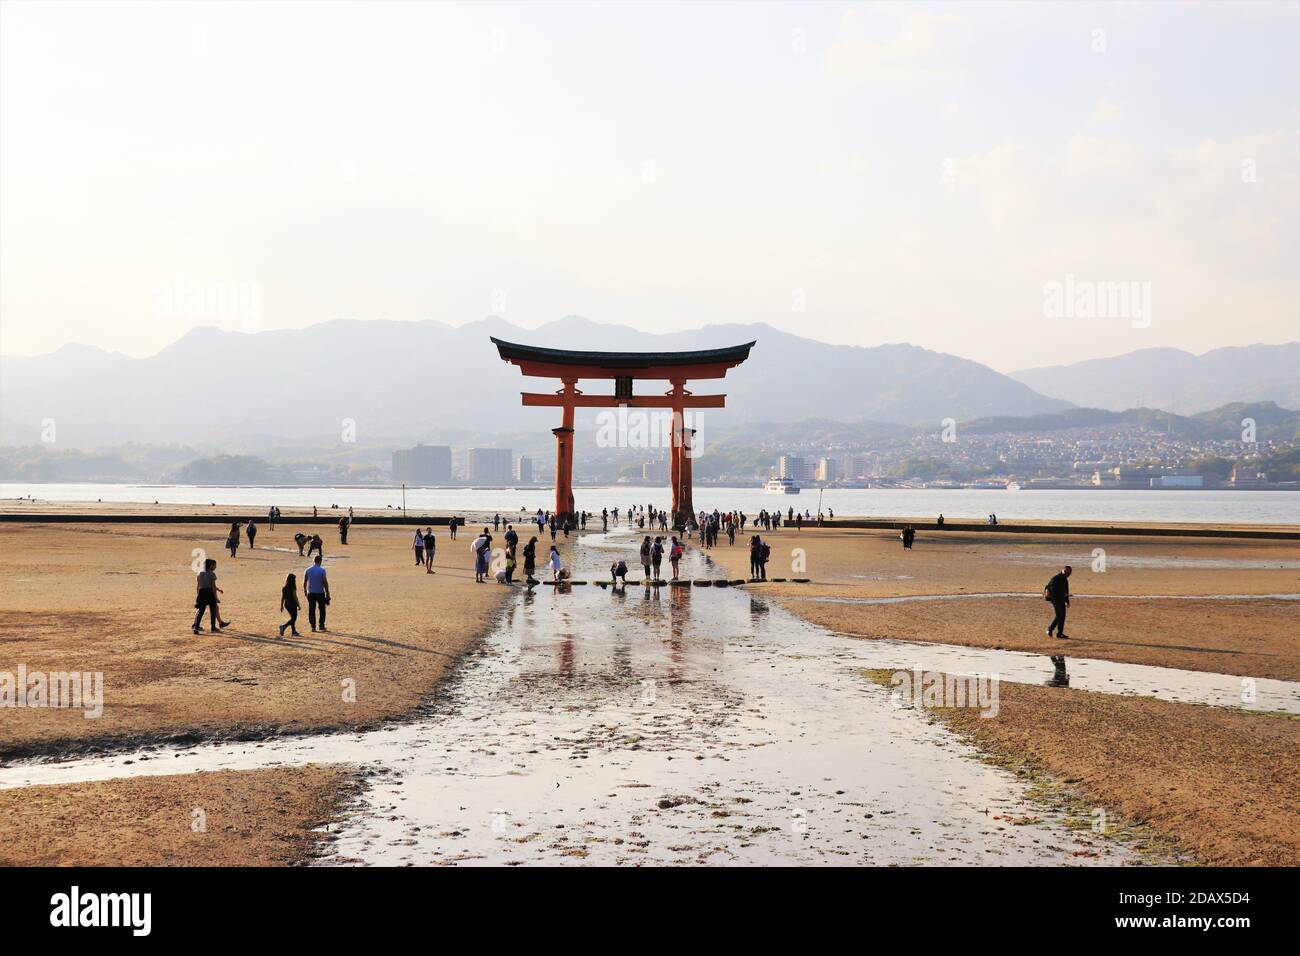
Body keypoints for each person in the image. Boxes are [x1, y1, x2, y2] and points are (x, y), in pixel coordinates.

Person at [192, 558, 229, 634]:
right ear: (211, 565)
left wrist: (198, 595)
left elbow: (198, 586)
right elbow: (213, 587)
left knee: (201, 610)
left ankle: (196, 627)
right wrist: (216, 598)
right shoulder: (212, 574)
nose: (215, 567)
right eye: (215, 565)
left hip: (201, 593)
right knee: (213, 610)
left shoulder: (200, 573)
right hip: (210, 593)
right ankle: (213, 627)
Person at [304, 554, 330, 632]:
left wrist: (305, 591)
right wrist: (327, 592)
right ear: (320, 561)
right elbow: (325, 582)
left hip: (310, 592)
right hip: (320, 592)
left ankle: (313, 626)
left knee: (311, 609)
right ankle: (321, 626)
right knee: (322, 609)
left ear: (314, 561)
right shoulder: (322, 570)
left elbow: (305, 581)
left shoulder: (308, 570)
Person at [1044, 566, 1072, 639]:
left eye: (1070, 573)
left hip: (1062, 599)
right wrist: (1063, 594)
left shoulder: (1065, 579)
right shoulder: (1056, 578)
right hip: (1055, 599)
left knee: (1062, 616)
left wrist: (1067, 601)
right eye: (1068, 572)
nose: (1069, 574)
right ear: (1063, 570)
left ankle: (1060, 634)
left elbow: (1066, 591)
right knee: (1059, 615)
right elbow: (1051, 588)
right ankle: (1049, 629)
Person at [279, 573, 301, 638]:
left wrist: (281, 606)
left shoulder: (284, 588)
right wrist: (298, 605)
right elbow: (295, 597)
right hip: (292, 604)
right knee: (294, 618)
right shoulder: (293, 587)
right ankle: (283, 626)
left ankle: (293, 631)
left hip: (287, 605)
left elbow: (282, 597)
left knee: (292, 618)